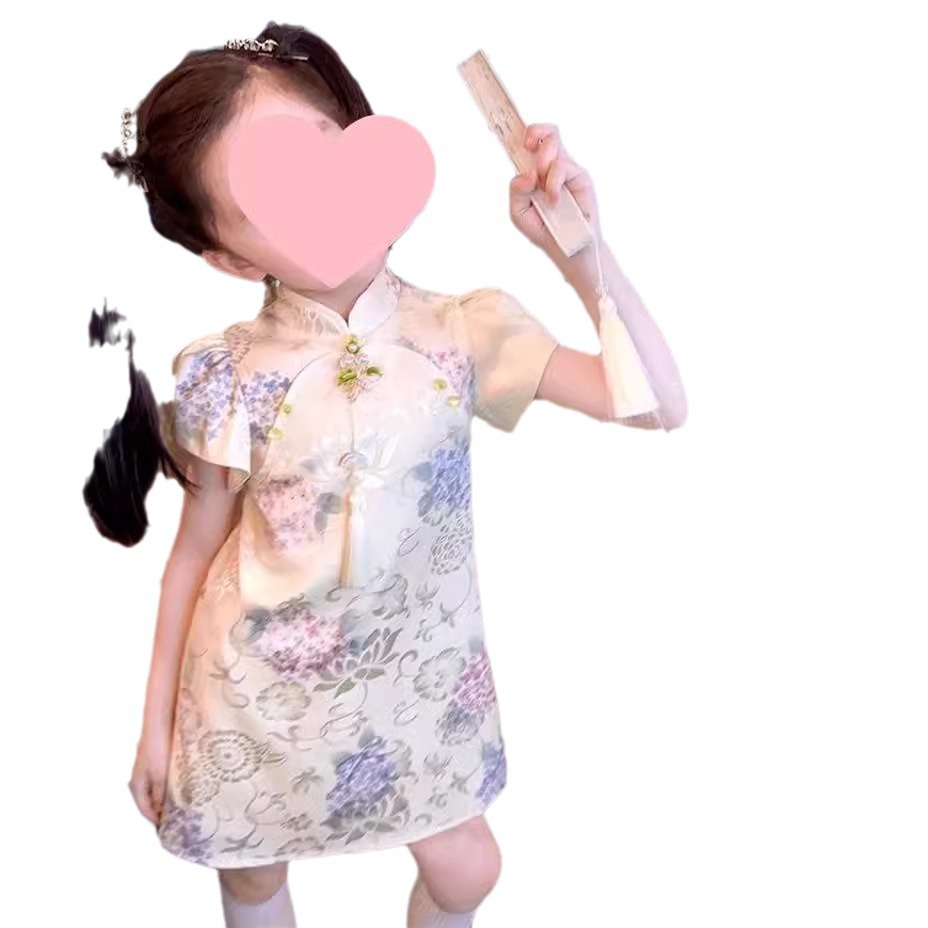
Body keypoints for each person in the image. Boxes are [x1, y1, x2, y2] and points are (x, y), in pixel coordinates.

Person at [99, 19, 687, 928]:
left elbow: (652, 404)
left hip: (420, 690)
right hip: (253, 699)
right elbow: (192, 558)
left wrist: (577, 247)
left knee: (467, 870)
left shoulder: (464, 330)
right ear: (231, 258)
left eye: (324, 151)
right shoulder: (227, 373)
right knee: (252, 875)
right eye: (272, 196)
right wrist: (155, 725)